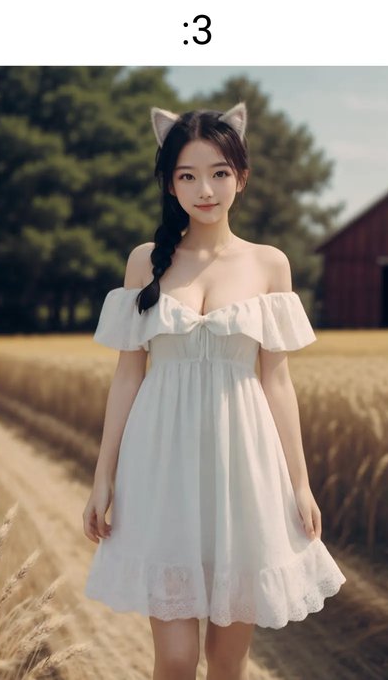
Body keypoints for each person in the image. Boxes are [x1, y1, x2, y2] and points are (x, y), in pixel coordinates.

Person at [82, 103, 344, 679]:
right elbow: (128, 374)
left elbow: (276, 379)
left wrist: (300, 484)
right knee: (175, 660)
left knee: (228, 662)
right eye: (187, 175)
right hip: (160, 463)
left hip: (245, 466)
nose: (205, 189)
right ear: (169, 183)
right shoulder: (145, 262)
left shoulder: (269, 264)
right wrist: (104, 476)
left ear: (241, 177)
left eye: (219, 172)